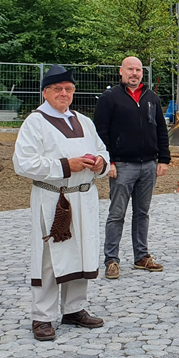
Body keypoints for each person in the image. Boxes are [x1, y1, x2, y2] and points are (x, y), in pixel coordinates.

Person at [13, 65, 110, 341]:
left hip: (84, 196)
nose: (64, 93)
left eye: (68, 88)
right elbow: (23, 163)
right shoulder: (36, 122)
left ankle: (74, 308)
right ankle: (42, 317)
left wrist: (101, 163)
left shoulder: (83, 120)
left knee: (82, 250)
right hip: (53, 198)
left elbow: (102, 150)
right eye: (57, 89)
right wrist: (66, 165)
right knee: (49, 258)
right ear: (45, 92)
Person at [94, 56, 171, 279]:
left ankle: (141, 256)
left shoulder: (151, 98)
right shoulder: (110, 98)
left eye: (138, 70)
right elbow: (101, 133)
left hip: (148, 165)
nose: (134, 73)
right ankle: (111, 260)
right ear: (121, 71)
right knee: (116, 214)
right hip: (122, 165)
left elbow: (161, 131)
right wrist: (109, 162)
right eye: (130, 69)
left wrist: (163, 159)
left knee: (142, 213)